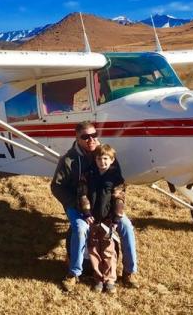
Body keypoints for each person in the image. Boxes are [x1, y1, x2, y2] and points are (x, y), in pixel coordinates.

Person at [50, 121, 139, 292]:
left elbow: (118, 185)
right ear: (77, 138)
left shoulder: (105, 153)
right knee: (80, 227)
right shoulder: (69, 160)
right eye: (85, 137)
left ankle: (130, 272)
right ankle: (74, 273)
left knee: (126, 226)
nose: (91, 139)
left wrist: (117, 211)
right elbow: (56, 186)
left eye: (94, 135)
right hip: (79, 206)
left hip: (106, 206)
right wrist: (73, 204)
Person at [79, 144, 125, 294]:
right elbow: (83, 194)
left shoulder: (116, 178)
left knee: (108, 250)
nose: (102, 162)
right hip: (92, 219)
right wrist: (86, 212)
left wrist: (116, 219)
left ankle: (110, 279)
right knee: (93, 249)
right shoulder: (88, 175)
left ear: (112, 160)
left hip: (108, 220)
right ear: (95, 159)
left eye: (105, 159)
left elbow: (119, 199)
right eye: (99, 159)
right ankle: (98, 278)